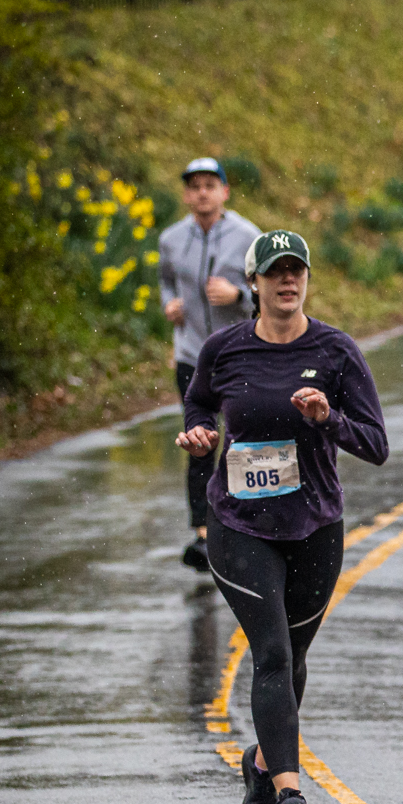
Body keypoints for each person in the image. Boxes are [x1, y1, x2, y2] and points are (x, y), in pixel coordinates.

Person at [178, 230, 388, 804]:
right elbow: (198, 404)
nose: (287, 280)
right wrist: (200, 435)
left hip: (315, 525)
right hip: (239, 524)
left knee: (292, 658)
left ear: (307, 279)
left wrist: (328, 418)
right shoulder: (223, 349)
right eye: (275, 271)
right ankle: (290, 795)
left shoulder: (336, 351)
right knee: (270, 652)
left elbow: (376, 444)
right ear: (255, 283)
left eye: (296, 269)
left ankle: (262, 765)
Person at [158, 157, 259, 572]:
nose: (202, 193)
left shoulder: (248, 236)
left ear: (224, 192)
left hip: (237, 356)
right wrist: (170, 304)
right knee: (199, 442)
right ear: (186, 194)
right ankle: (202, 533)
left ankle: (244, 523)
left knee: (241, 438)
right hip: (191, 355)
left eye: (209, 185)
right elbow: (166, 279)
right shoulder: (170, 239)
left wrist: (238, 297)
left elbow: (266, 291)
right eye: (194, 186)